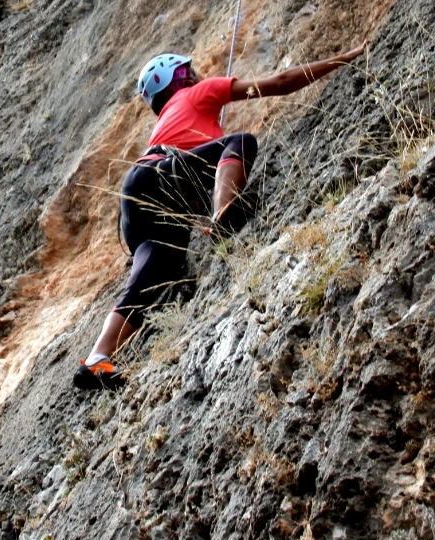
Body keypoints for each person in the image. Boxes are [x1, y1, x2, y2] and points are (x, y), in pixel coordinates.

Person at [73, 43, 369, 390]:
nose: (195, 75)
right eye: (188, 72)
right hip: (163, 177)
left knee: (154, 271)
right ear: (180, 79)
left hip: (137, 198)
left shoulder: (168, 123)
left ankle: (97, 357)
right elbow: (281, 82)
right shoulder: (198, 93)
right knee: (240, 141)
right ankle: (222, 213)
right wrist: (345, 57)